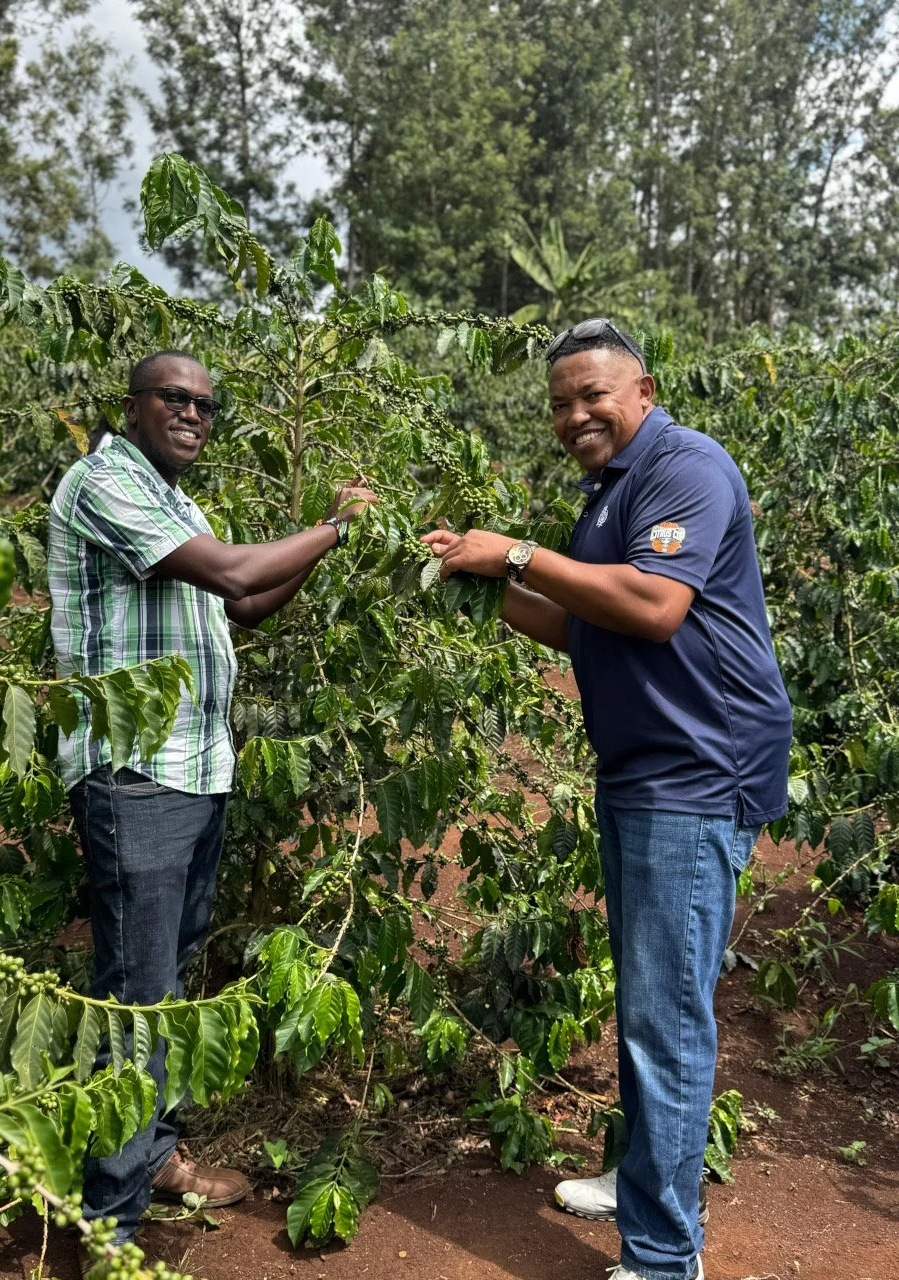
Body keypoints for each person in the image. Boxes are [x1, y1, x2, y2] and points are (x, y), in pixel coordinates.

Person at [421, 319, 791, 1280]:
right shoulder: (611, 492)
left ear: (645, 391)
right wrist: (458, 568)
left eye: (593, 396)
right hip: (643, 767)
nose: (575, 415)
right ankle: (640, 1175)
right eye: (558, 404)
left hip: (699, 772)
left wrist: (515, 554)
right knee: (649, 999)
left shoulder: (687, 470)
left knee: (666, 1016)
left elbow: (653, 608)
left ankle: (665, 1256)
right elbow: (577, 626)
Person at [48, 350, 376, 1271]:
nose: (193, 413)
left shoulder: (174, 500)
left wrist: (322, 543)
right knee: (136, 1001)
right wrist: (335, 526)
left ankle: (151, 1159)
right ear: (133, 405)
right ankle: (107, 1229)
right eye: (175, 398)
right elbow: (235, 574)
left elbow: (254, 603)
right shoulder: (103, 482)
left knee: (170, 984)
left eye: (204, 404)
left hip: (195, 769)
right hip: (135, 777)